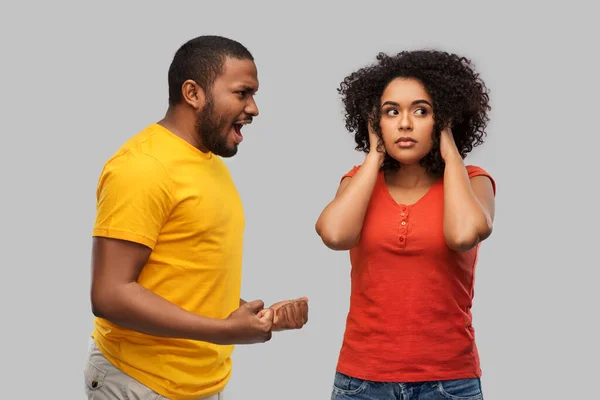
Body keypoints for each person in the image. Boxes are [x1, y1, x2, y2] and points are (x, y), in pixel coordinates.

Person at [84, 35, 309, 400]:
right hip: (140, 383)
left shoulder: (209, 163)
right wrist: (224, 331)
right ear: (193, 93)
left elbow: (180, 273)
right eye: (242, 93)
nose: (253, 108)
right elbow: (110, 294)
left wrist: (250, 316)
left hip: (202, 384)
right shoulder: (143, 167)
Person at [315, 50, 496, 400]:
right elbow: (335, 235)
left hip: (449, 383)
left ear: (443, 118)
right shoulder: (358, 181)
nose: (405, 124)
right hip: (361, 381)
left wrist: (450, 152)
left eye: (422, 111)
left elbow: (462, 235)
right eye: (391, 112)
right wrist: (374, 155)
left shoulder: (474, 182)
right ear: (374, 121)